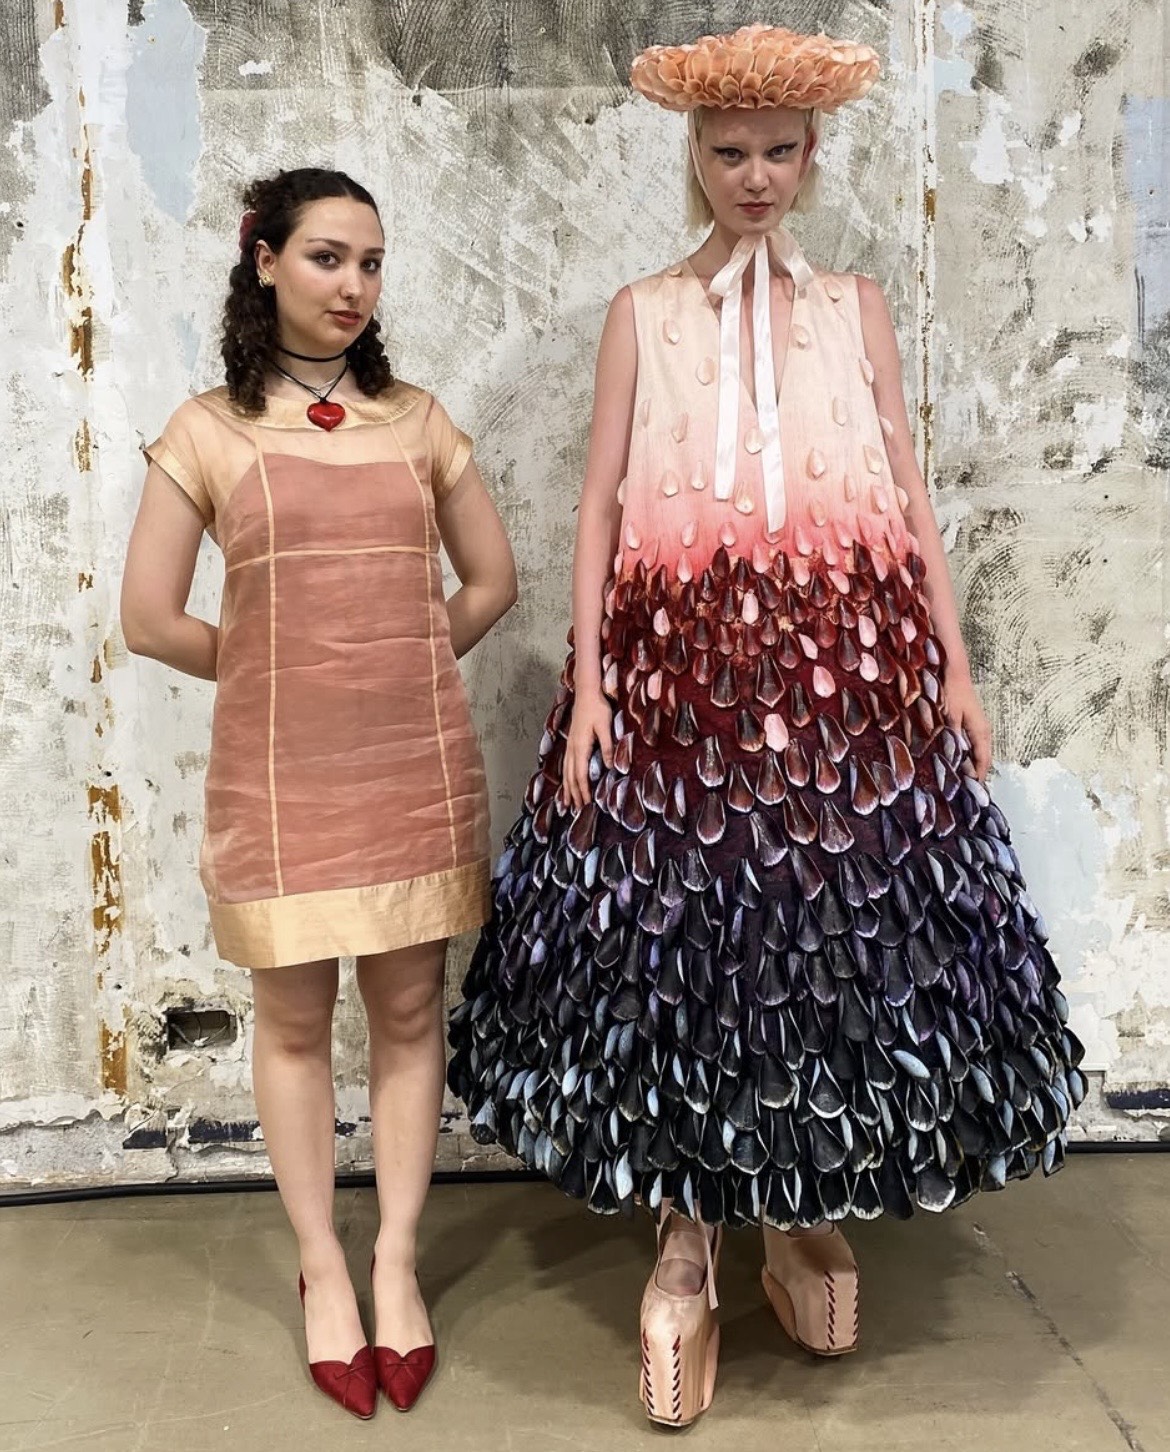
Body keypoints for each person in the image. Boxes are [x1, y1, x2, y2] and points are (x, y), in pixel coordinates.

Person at [447, 26, 1085, 1427]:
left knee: (824, 937)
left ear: (813, 154)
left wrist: (956, 666)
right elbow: (601, 499)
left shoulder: (854, 306)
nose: (754, 176)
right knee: (687, 937)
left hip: (846, 671)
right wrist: (594, 681)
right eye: (729, 151)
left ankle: (800, 1204)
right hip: (679, 669)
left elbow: (907, 486)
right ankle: (686, 1232)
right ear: (693, 152)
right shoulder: (644, 312)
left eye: (779, 152)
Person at [121, 167, 516, 1420]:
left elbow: (491, 582)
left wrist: (397, 660)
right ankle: (321, 1268)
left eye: (371, 263)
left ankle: (395, 1260)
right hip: (278, 775)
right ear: (266, 262)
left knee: (408, 1011)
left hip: (410, 763)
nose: (353, 286)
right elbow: (148, 617)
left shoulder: (417, 421)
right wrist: (277, 669)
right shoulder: (206, 430)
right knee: (292, 1023)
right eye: (327, 258)